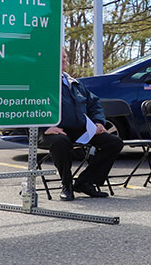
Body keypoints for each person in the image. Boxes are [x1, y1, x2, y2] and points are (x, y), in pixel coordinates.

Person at [40, 53, 124, 201]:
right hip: (53, 131)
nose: (63, 60)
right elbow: (27, 107)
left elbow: (94, 105)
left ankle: (85, 182)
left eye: (65, 57)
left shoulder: (75, 83)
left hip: (80, 129)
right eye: (59, 57)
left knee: (114, 142)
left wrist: (98, 122)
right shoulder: (41, 82)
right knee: (60, 143)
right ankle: (67, 185)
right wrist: (44, 128)